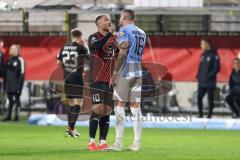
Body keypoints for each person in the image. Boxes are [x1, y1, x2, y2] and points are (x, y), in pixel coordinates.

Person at [110, 9, 146, 151]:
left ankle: (118, 143)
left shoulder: (124, 29)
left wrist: (115, 72)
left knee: (119, 106)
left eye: (120, 17)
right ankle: (136, 143)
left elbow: (123, 49)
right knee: (135, 108)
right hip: (138, 69)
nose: (120, 19)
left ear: (125, 17)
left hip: (126, 69)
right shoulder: (142, 32)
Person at [87, 15, 118, 151]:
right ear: (99, 24)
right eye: (106, 20)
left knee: (107, 111)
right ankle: (91, 142)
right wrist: (110, 34)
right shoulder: (93, 37)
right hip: (96, 79)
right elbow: (98, 47)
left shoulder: (114, 39)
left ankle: (103, 142)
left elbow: (117, 56)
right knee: (98, 109)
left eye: (109, 19)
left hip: (109, 81)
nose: (109, 21)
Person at [57, 29, 88, 138]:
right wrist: (85, 45)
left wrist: (67, 68)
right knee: (78, 104)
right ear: (80, 37)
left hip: (67, 78)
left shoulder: (64, 47)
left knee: (71, 103)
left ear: (72, 36)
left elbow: (58, 62)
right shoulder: (81, 48)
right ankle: (70, 128)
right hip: (77, 78)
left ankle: (71, 129)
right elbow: (90, 58)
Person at [197, 38, 220, 118]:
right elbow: (200, 67)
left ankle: (209, 115)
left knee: (210, 98)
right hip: (202, 81)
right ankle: (200, 115)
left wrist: (209, 75)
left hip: (210, 81)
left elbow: (217, 68)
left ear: (207, 44)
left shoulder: (215, 55)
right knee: (199, 97)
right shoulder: (203, 55)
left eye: (202, 44)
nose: (201, 46)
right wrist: (198, 76)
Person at [2, 44, 25, 121]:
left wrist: (19, 86)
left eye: (12, 49)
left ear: (15, 50)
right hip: (9, 85)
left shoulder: (20, 60)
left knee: (17, 100)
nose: (10, 51)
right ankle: (9, 116)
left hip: (16, 85)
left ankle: (16, 116)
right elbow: (4, 73)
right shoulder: (8, 60)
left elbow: (22, 74)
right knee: (10, 101)